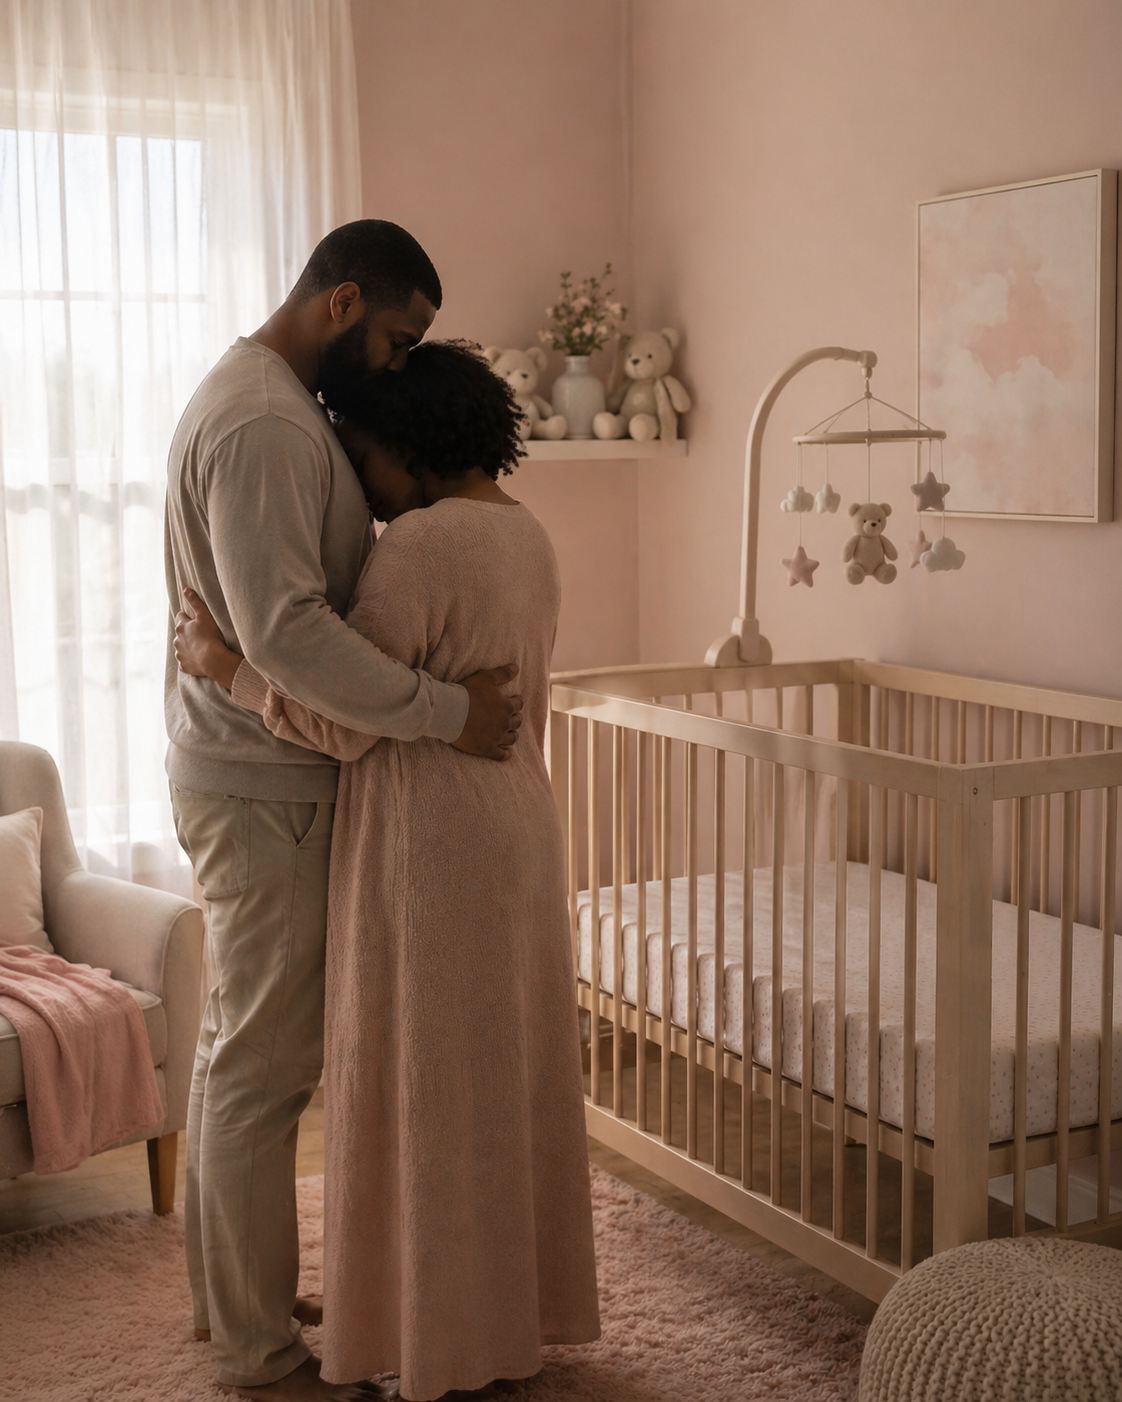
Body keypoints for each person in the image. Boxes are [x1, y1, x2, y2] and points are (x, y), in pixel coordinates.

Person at [175, 340, 600, 1402]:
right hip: (519, 819)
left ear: (409, 445)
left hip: (432, 834)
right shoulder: (529, 535)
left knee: (420, 1086)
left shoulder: (414, 548)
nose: (361, 480)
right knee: (497, 1080)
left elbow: (339, 718)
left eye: (365, 453)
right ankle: (499, 1315)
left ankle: (428, 1325)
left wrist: (225, 667)